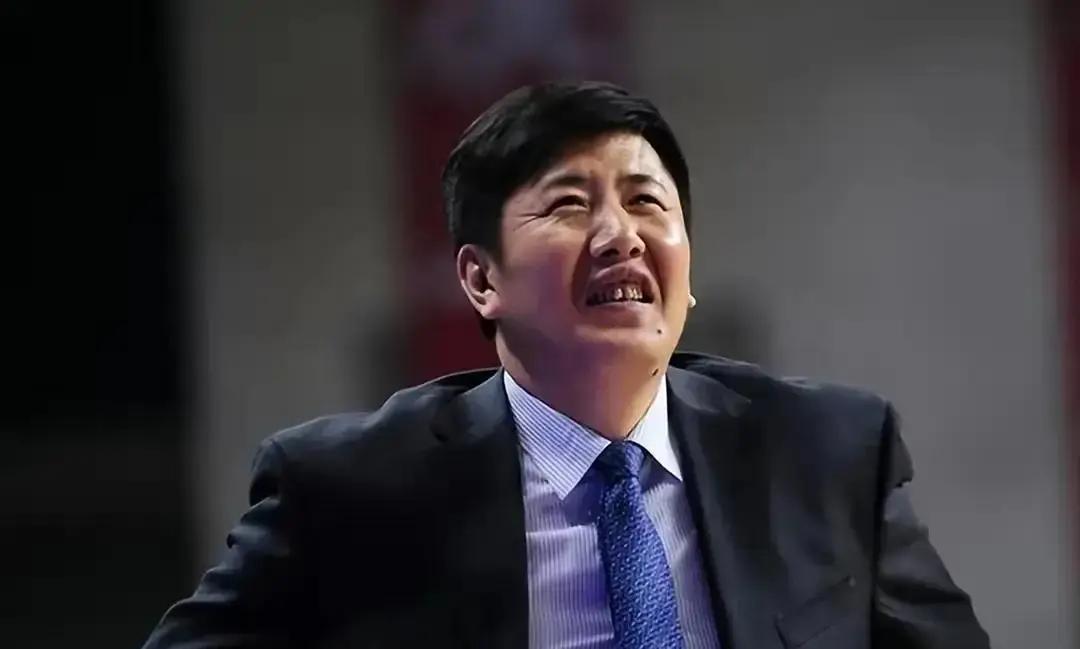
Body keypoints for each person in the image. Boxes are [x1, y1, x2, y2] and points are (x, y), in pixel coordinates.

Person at [143, 81, 989, 649]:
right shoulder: (348, 489)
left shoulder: (827, 452)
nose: (620, 234)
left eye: (647, 201)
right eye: (570, 205)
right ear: (481, 280)